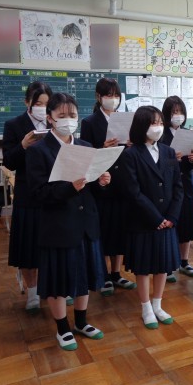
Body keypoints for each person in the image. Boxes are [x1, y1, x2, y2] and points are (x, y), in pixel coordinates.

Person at [26, 93, 109, 350]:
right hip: (58, 225)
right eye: (61, 116)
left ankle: (81, 322)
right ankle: (62, 328)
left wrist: (101, 181)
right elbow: (38, 193)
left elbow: (91, 188)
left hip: (86, 222)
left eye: (72, 115)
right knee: (59, 280)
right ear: (50, 118)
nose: (68, 120)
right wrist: (69, 188)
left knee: (84, 276)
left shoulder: (85, 146)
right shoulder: (39, 150)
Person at [119, 106, 183, 329]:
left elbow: (178, 186)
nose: (158, 127)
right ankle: (146, 307)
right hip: (144, 220)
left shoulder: (168, 152)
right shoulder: (131, 154)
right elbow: (133, 192)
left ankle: (158, 304)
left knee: (163, 265)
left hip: (167, 220)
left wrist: (172, 216)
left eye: (160, 123)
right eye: (153, 123)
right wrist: (156, 218)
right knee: (144, 267)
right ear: (141, 126)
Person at [80, 77, 136, 295]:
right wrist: (101, 147)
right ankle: (103, 275)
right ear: (98, 97)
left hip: (122, 180)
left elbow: (131, 150)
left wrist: (131, 144)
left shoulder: (125, 119)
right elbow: (86, 153)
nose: (113, 99)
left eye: (116, 95)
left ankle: (116, 273)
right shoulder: (89, 122)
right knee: (104, 228)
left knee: (121, 228)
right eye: (108, 95)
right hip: (101, 181)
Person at [3, 81, 52, 311]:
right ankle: (32, 292)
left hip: (52, 192)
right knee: (27, 247)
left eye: (47, 104)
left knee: (51, 244)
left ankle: (51, 287)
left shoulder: (55, 123)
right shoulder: (14, 125)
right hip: (27, 193)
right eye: (38, 103)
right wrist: (23, 145)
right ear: (27, 103)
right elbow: (9, 162)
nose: (43, 108)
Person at [159, 96, 193, 282]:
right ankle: (167, 265)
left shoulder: (188, 133)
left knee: (188, 220)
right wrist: (171, 160)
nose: (178, 115)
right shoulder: (161, 135)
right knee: (170, 222)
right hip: (169, 185)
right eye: (174, 112)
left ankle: (184, 261)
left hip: (187, 183)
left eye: (181, 111)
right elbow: (157, 163)